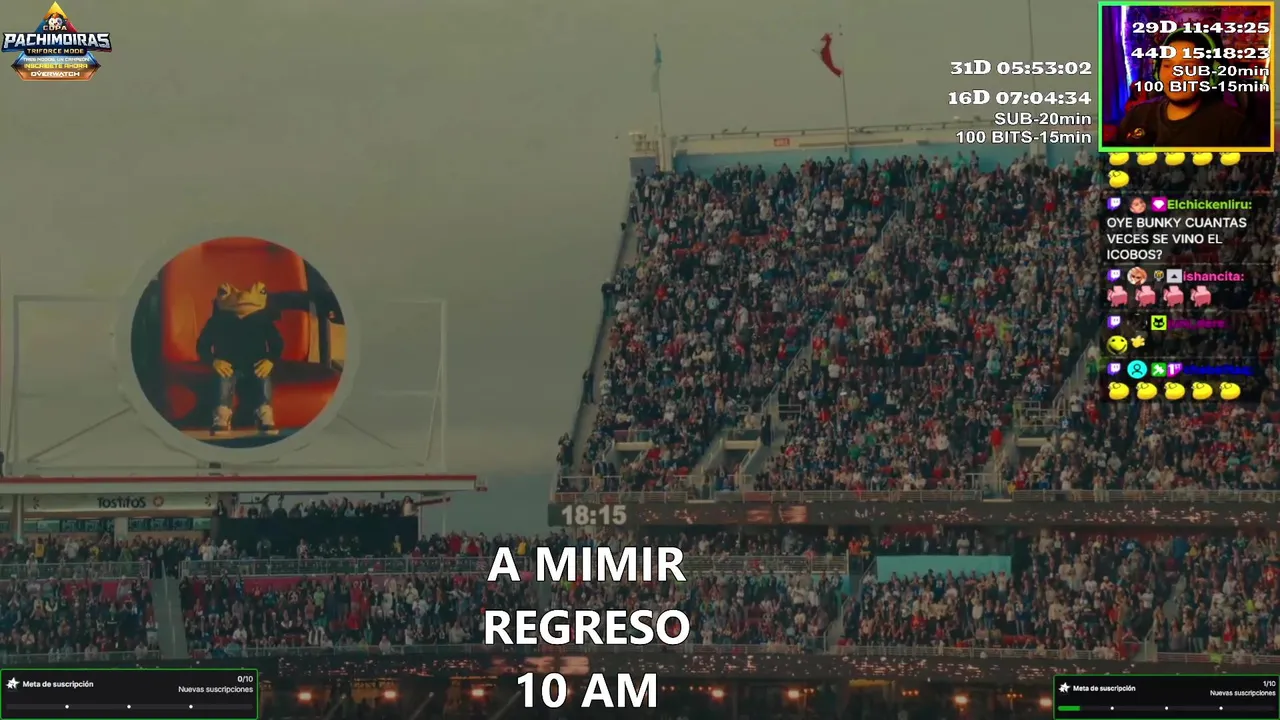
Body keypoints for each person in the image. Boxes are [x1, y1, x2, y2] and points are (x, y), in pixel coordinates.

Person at [1115, 30, 1265, 148]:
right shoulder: (1137, 115)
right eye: (1167, 65)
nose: (1175, 75)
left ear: (1210, 74)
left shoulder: (1234, 128)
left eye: (1189, 67)